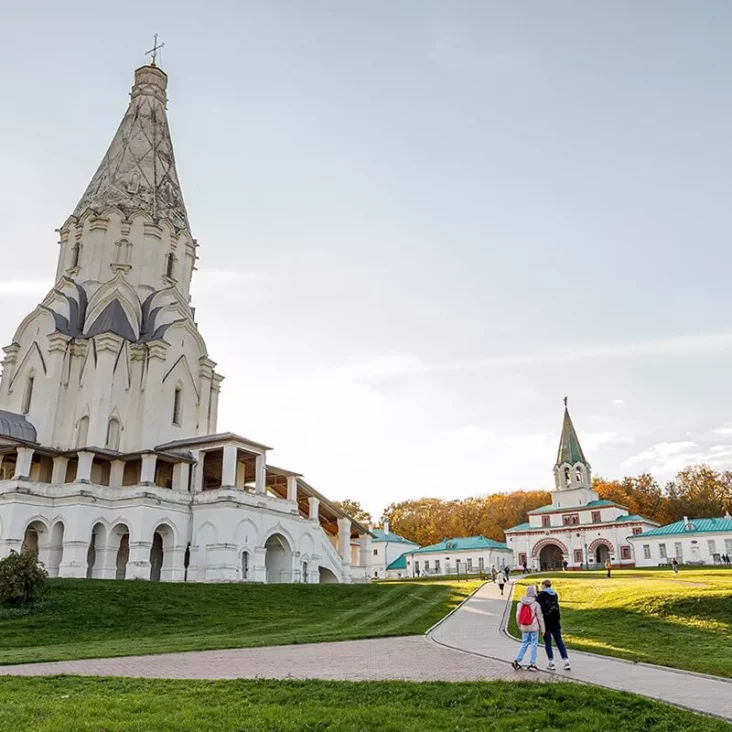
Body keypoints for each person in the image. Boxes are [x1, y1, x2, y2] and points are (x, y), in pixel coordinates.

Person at [537, 579, 571, 671]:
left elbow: (538, 607)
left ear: (543, 585)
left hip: (546, 621)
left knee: (548, 642)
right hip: (556, 621)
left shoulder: (541, 595)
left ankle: (551, 663)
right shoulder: (554, 594)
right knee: (559, 640)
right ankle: (566, 660)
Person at [511, 586, 545, 672]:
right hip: (534, 627)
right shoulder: (536, 604)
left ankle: (517, 660)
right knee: (534, 644)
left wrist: (519, 626)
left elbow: (517, 616)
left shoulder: (520, 604)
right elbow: (540, 617)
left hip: (524, 627)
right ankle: (532, 664)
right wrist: (543, 629)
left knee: (524, 643)